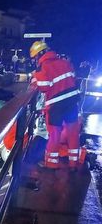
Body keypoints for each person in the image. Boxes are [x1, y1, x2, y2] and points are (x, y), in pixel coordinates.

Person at [29, 41, 81, 171]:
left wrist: (35, 77)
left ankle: (51, 164)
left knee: (54, 136)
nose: (36, 60)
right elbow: (73, 79)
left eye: (35, 57)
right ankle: (73, 164)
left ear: (40, 54)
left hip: (55, 107)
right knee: (73, 134)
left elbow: (44, 87)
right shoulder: (65, 62)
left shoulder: (43, 68)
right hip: (72, 104)